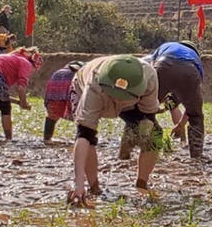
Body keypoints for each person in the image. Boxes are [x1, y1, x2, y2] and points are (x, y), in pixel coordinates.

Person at [67, 55, 163, 207]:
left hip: (132, 102)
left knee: (154, 135)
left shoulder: (150, 77)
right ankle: (93, 188)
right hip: (90, 90)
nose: (119, 100)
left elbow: (148, 118)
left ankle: (142, 184)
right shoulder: (94, 86)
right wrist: (78, 184)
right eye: (117, 96)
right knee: (88, 137)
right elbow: (84, 135)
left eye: (123, 97)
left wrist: (139, 137)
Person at [145, 41, 206, 159]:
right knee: (196, 116)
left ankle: (147, 149)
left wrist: (154, 100)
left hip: (164, 64)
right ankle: (196, 155)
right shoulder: (195, 59)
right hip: (190, 71)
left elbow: (151, 68)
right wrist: (181, 124)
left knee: (146, 109)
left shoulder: (167, 45)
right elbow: (193, 105)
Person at [43, 61, 83, 145]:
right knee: (81, 117)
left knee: (52, 115)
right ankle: (81, 140)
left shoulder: (58, 72)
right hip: (70, 90)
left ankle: (47, 139)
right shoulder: (79, 73)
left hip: (54, 94)